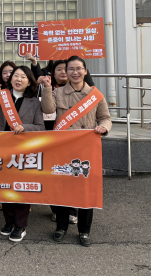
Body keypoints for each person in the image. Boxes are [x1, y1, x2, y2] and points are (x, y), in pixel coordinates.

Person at [41, 55, 112, 247]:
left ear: (85, 71)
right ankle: (61, 226)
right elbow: (48, 110)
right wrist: (47, 88)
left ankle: (84, 230)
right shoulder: (57, 92)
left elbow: (105, 117)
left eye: (78, 68)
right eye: (70, 69)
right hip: (63, 148)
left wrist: (104, 128)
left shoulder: (95, 95)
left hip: (86, 149)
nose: (74, 72)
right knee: (62, 187)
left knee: (86, 189)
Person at [0, 66, 45, 242]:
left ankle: (20, 225)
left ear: (29, 82)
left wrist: (25, 127)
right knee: (4, 187)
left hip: (23, 151)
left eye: (23, 77)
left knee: (21, 188)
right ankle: (9, 222)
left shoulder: (35, 102)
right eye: (15, 75)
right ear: (10, 79)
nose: (18, 79)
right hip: (1, 149)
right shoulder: (2, 96)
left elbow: (40, 127)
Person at [36, 60, 77, 225]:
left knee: (71, 175)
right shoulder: (46, 88)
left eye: (66, 69)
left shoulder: (79, 89)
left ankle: (72, 210)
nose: (63, 72)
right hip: (50, 138)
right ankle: (56, 210)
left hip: (71, 140)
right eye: (59, 69)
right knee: (53, 175)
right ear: (52, 73)